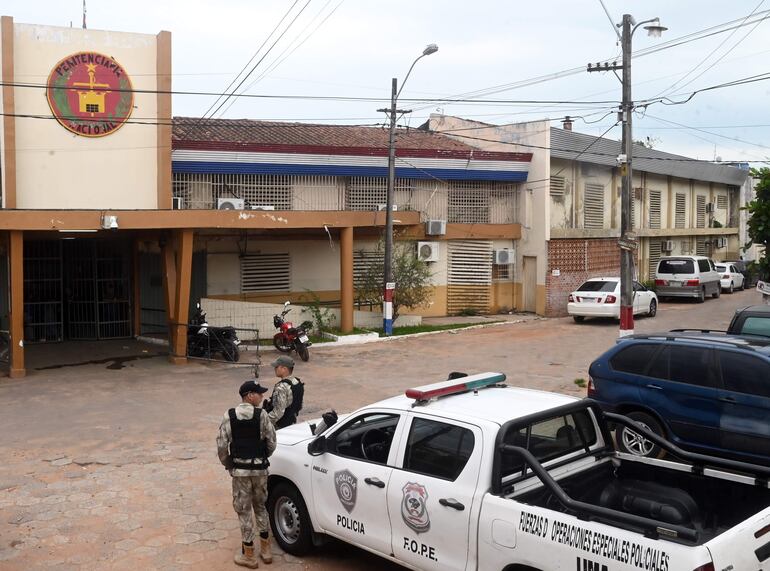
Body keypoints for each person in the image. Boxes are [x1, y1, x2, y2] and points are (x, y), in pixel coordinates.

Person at [217, 380, 277, 568]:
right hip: (260, 471)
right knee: (260, 507)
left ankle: (249, 555)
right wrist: (261, 457)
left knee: (243, 512)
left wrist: (230, 466)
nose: (261, 396)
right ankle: (266, 551)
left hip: (240, 473)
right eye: (259, 393)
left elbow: (221, 446)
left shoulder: (229, 416)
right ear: (249, 395)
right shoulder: (262, 415)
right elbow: (272, 443)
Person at [264, 355, 304, 429]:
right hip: (291, 422)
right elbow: (298, 405)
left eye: (276, 367)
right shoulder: (297, 383)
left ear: (284, 369)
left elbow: (277, 413)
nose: (275, 369)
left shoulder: (281, 387)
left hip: (280, 426)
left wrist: (263, 423)